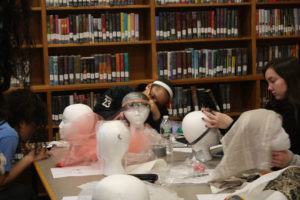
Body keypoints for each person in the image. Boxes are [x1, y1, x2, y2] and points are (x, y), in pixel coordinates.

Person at [202, 56, 300, 169]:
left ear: (290, 78)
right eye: (267, 82)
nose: (269, 88)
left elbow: (263, 144)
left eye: (273, 81)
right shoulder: (275, 104)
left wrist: (292, 160)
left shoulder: (291, 110)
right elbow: (258, 133)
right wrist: (229, 124)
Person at [0, 89, 49, 200]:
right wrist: (28, 159)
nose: (33, 133)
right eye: (33, 127)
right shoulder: (9, 135)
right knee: (26, 194)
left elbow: (3, 170)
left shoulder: (2, 126)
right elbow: (1, 183)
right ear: (22, 123)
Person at [93, 79, 175, 132]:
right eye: (152, 96)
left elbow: (158, 139)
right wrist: (121, 114)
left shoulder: (160, 111)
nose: (151, 102)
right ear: (149, 86)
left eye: (157, 103)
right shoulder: (119, 91)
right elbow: (98, 114)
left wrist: (156, 117)